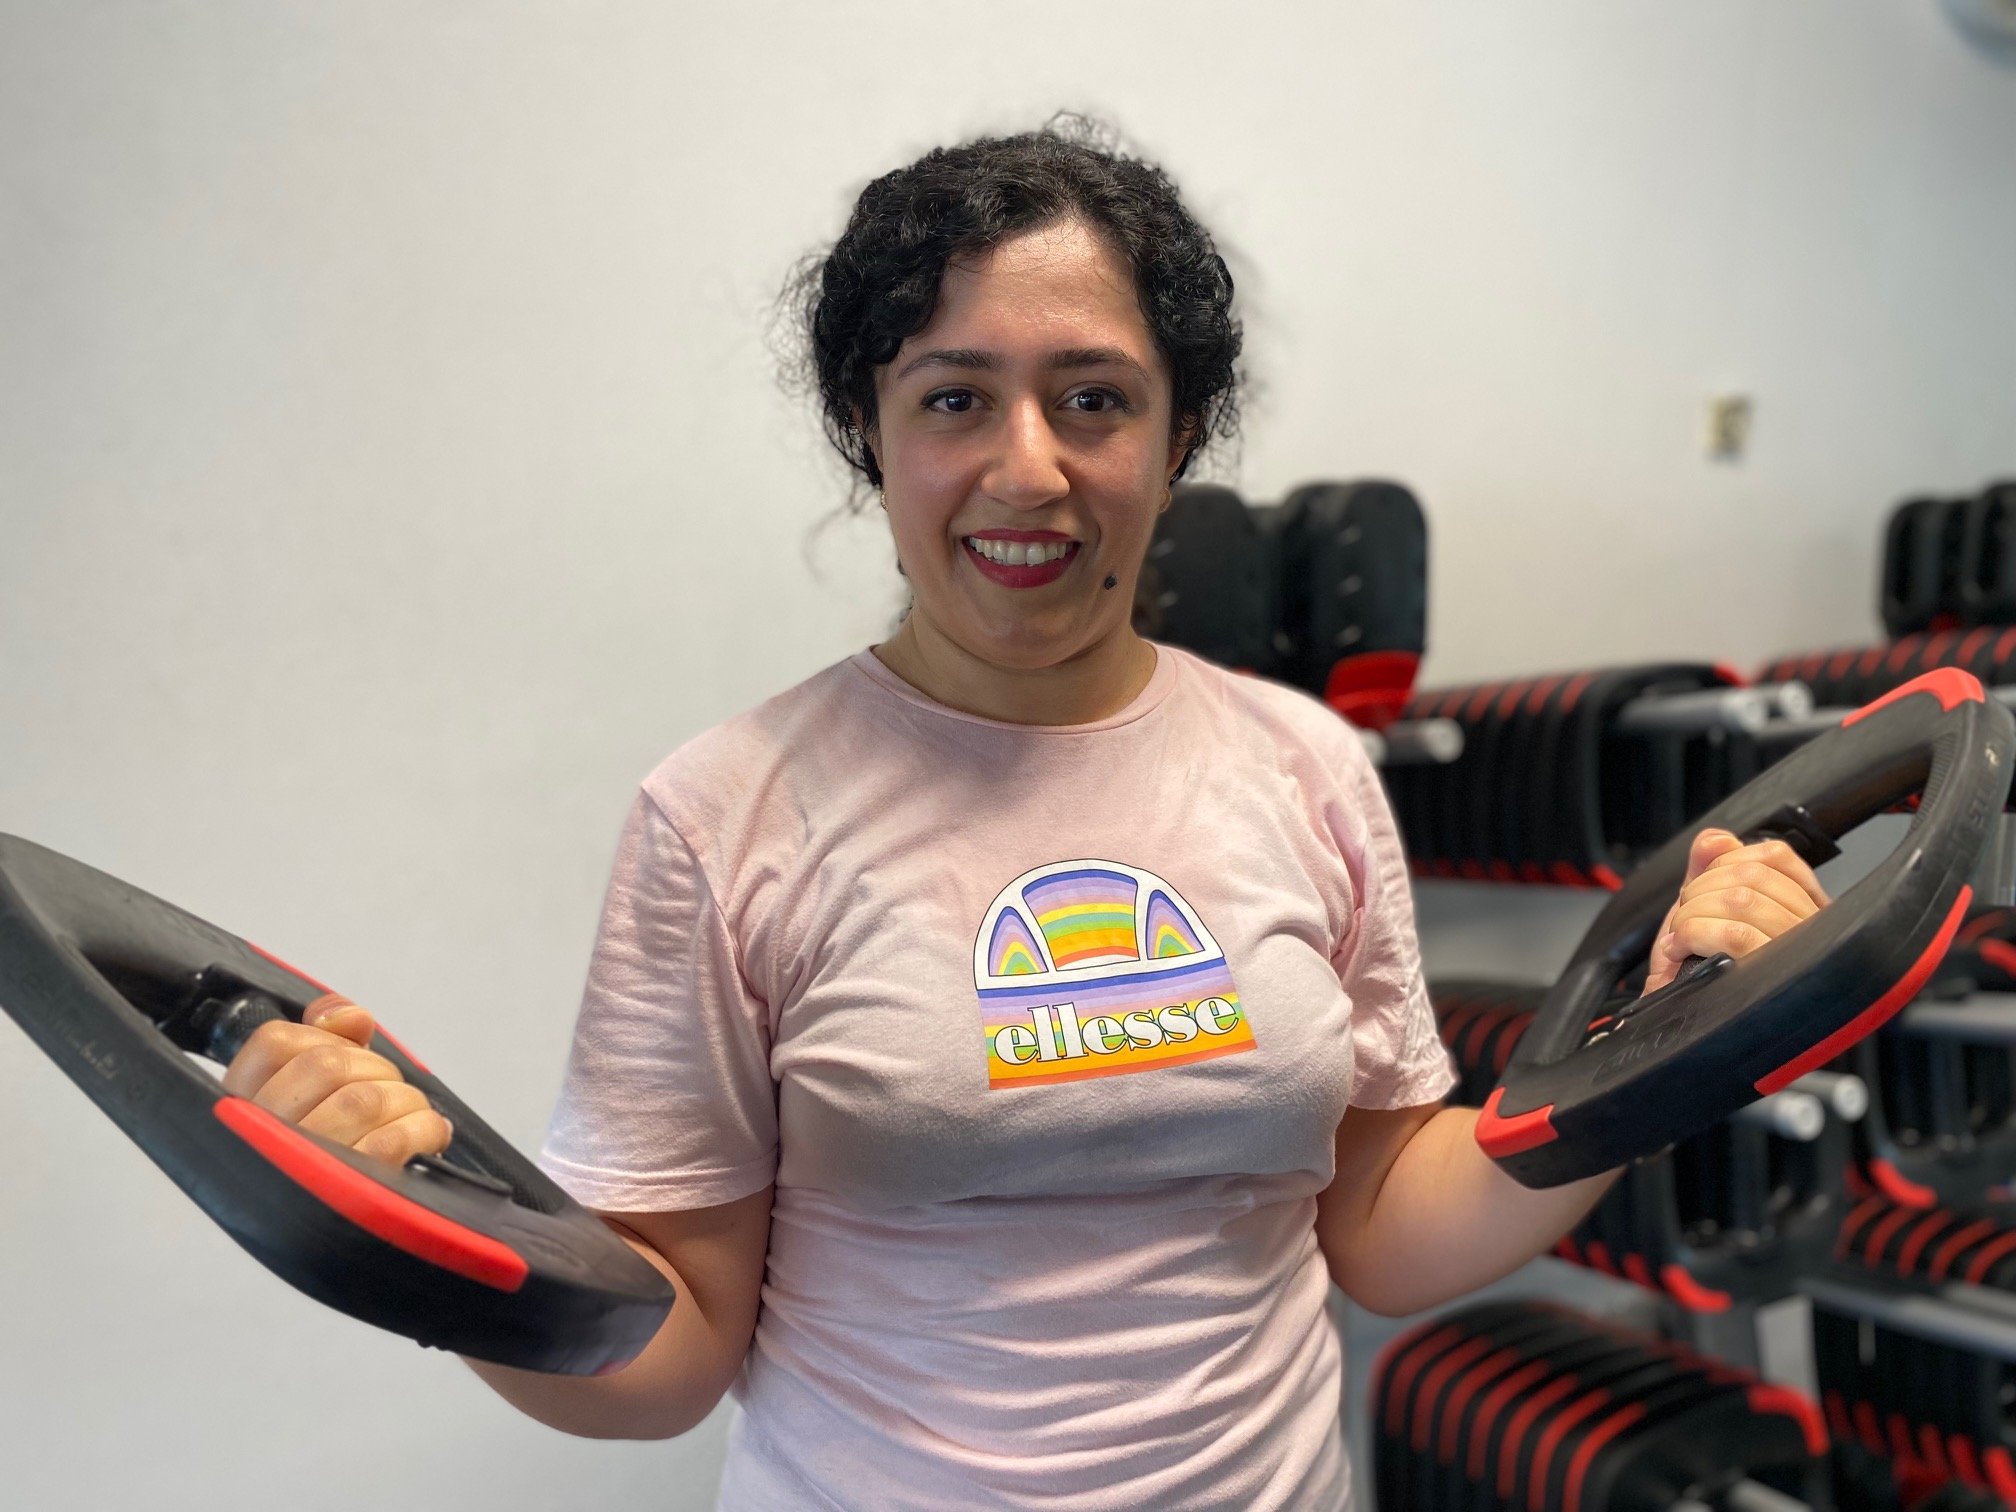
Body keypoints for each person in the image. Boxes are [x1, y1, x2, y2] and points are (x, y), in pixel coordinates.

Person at [221, 116, 1831, 1509]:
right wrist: (399, 1231)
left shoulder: (1304, 765)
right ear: (870, 427)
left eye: (1093, 398)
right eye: (953, 399)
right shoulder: (723, 816)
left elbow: (1387, 1233)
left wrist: (1664, 1046)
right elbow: (667, 1359)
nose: (1028, 468)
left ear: (1179, 433)